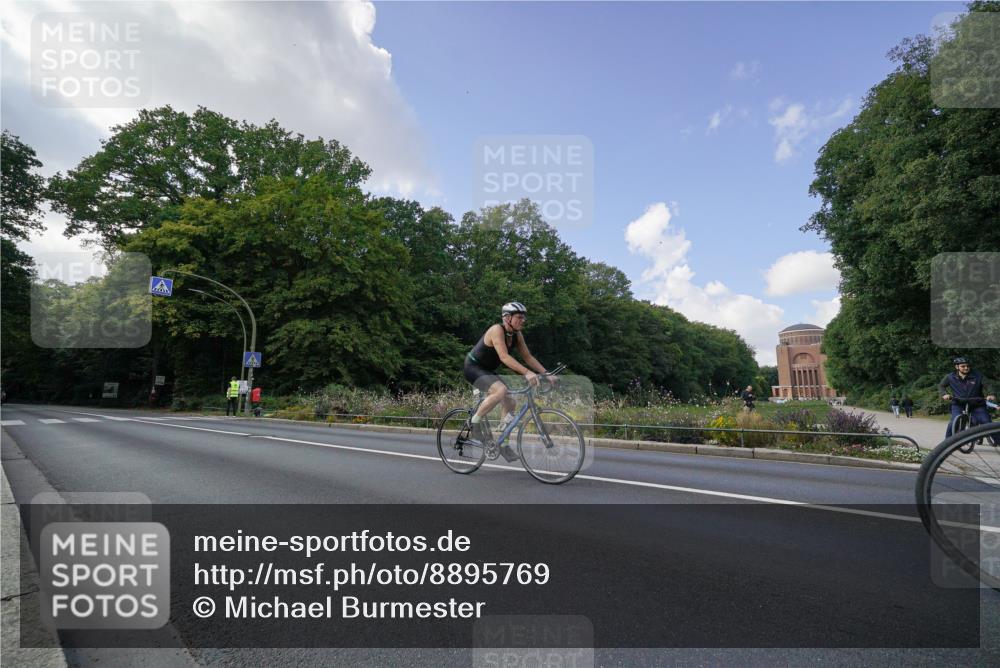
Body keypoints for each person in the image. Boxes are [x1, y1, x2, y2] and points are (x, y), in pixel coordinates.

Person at [464, 302, 551, 461]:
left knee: (510, 402)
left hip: (487, 370)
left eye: (523, 317)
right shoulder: (496, 330)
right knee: (501, 391)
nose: (523, 320)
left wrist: (546, 373)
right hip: (473, 367)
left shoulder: (517, 335)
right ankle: (474, 422)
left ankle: (502, 442)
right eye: (519, 317)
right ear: (507, 318)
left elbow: (528, 357)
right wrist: (526, 373)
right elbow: (504, 357)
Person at [939, 357, 997, 441]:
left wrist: (991, 394)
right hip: (958, 403)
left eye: (968, 366)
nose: (966, 368)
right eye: (963, 366)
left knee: (986, 422)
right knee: (953, 422)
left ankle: (998, 441)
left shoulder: (978, 375)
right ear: (957, 367)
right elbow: (941, 386)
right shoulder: (950, 377)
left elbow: (988, 385)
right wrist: (944, 394)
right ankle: (946, 444)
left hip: (977, 404)